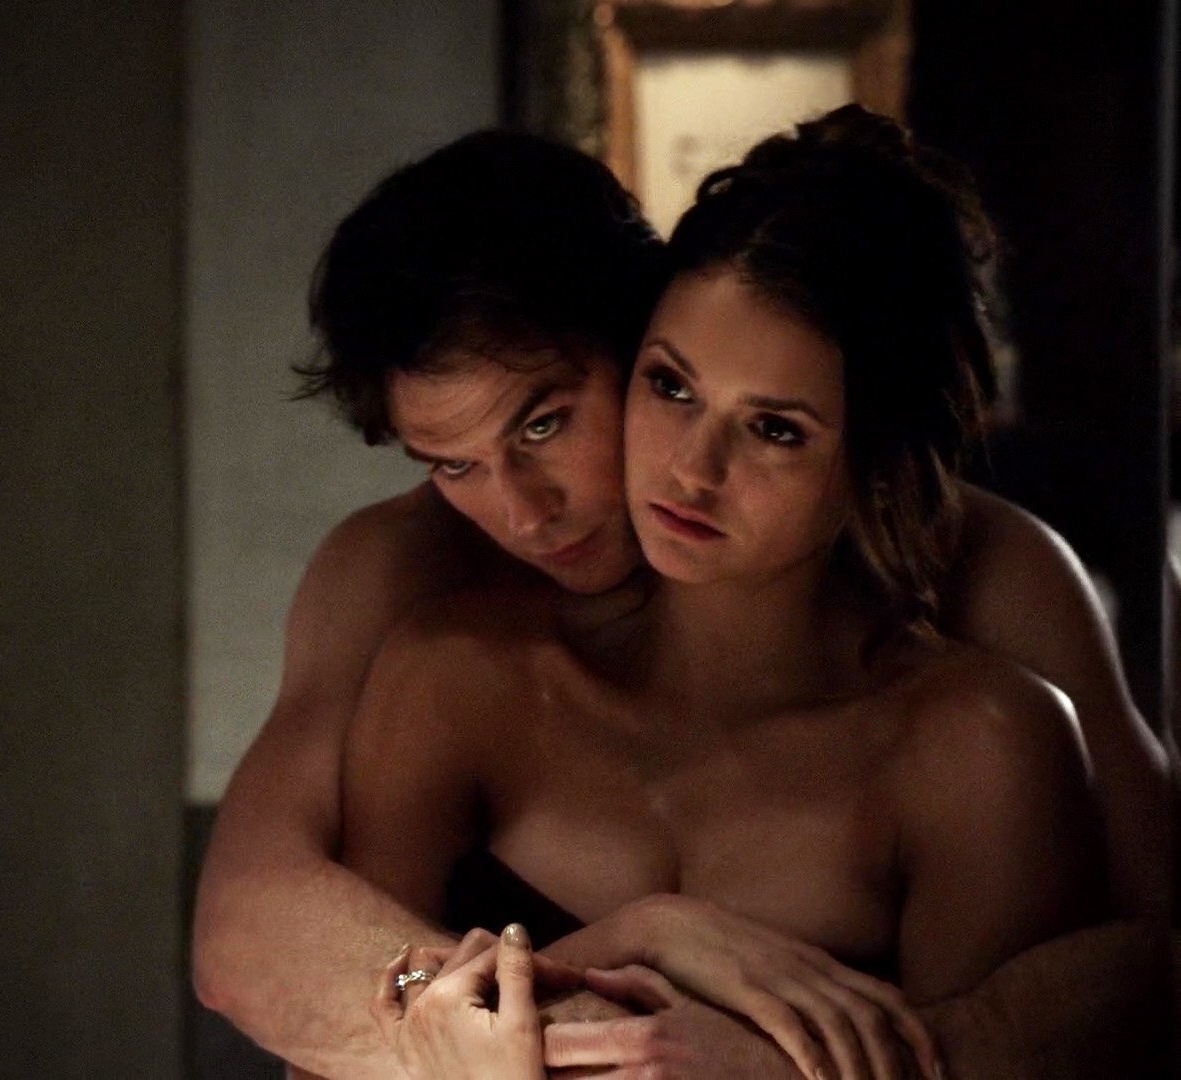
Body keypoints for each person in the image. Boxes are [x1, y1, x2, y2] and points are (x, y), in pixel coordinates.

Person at [189, 122, 1173, 1079]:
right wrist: (632, 954)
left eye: (545, 424)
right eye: (452, 463)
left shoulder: (986, 630)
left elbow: (1157, 958)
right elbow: (250, 937)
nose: (521, 515)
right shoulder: (431, 616)